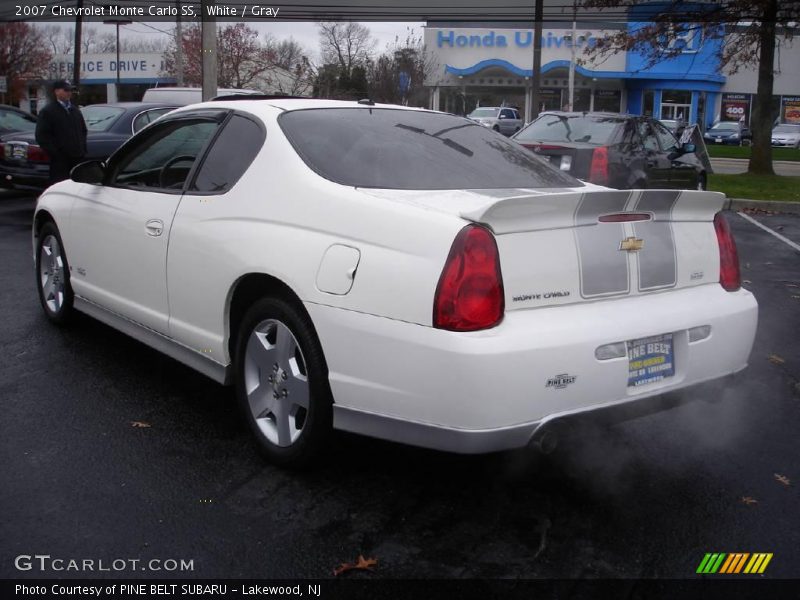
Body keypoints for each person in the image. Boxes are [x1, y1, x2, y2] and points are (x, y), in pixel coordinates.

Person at [35, 79, 88, 185]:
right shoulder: (48, 111)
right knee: (61, 187)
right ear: (56, 91)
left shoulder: (75, 110)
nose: (69, 93)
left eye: (70, 90)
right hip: (60, 163)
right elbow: (42, 136)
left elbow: (83, 131)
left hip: (77, 159)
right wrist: (56, 154)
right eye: (66, 90)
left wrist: (82, 149)